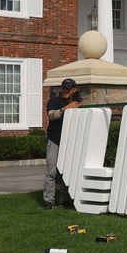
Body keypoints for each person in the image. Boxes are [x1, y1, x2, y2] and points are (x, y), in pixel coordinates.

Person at [43, 77, 82, 209]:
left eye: (68, 88)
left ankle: (64, 200)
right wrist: (66, 109)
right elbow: (51, 115)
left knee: (67, 171)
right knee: (51, 171)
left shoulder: (79, 103)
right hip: (54, 139)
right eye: (64, 88)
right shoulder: (54, 101)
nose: (66, 90)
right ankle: (49, 201)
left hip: (70, 141)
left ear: (74, 89)